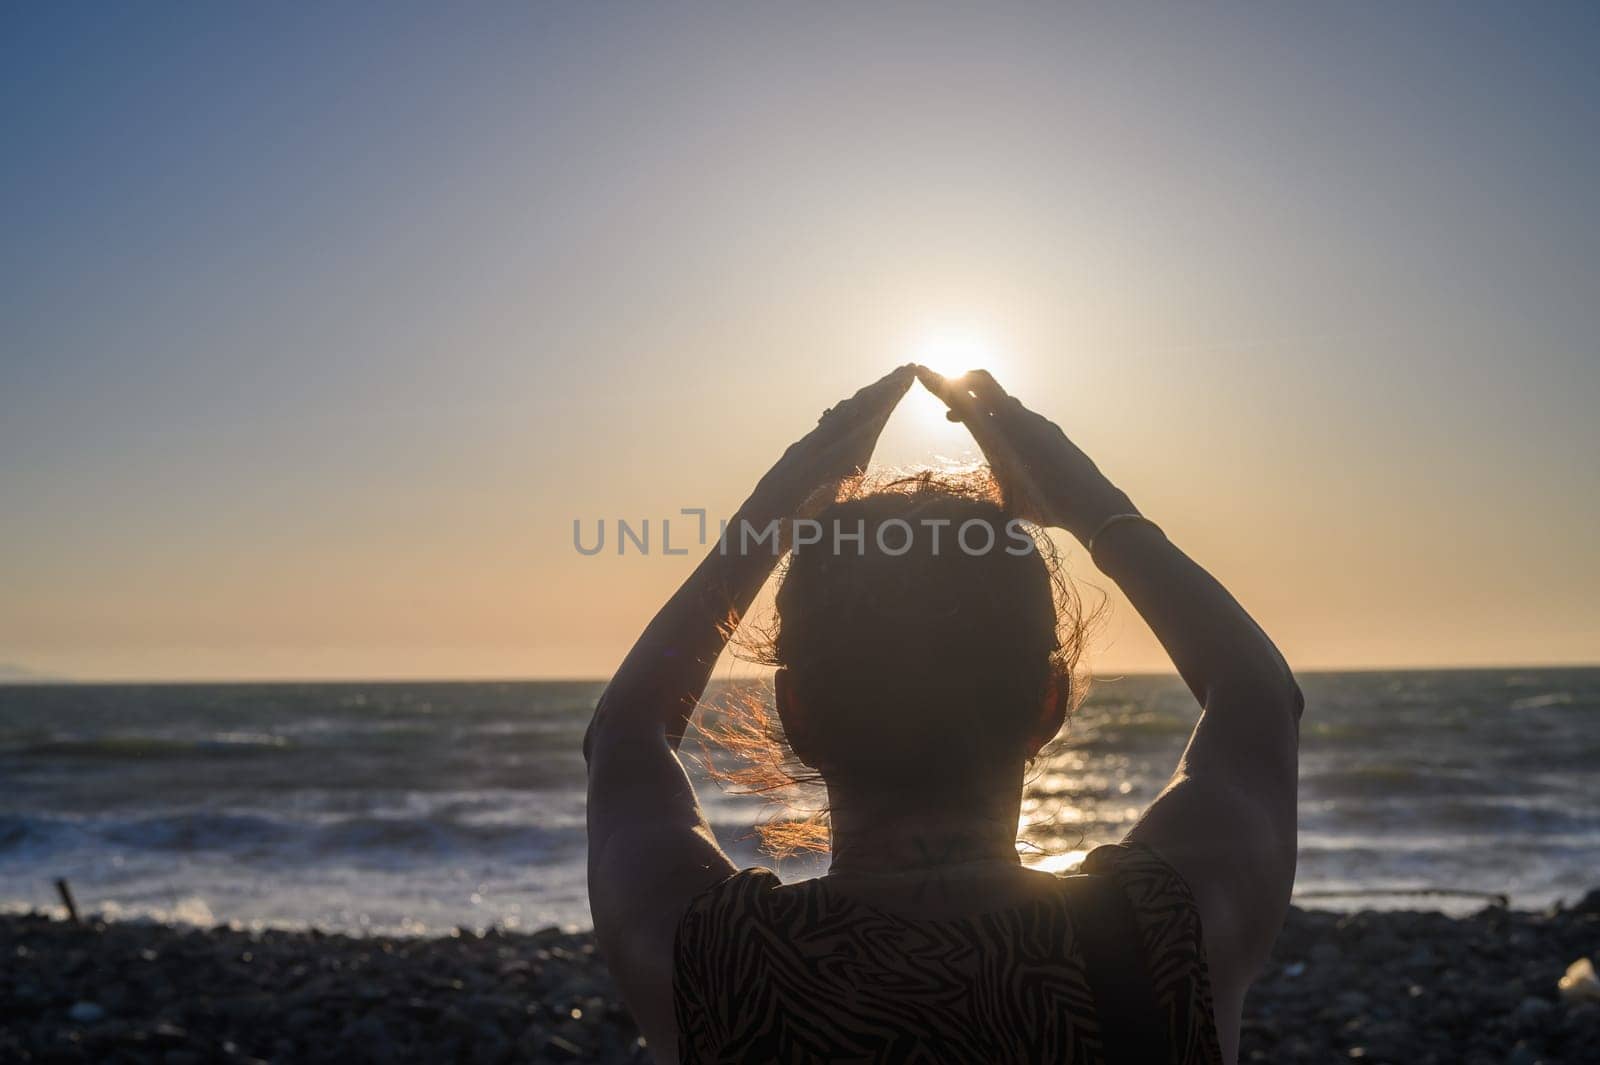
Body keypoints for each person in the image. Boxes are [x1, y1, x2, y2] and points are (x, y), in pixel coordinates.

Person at [585, 364, 1302, 1064]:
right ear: (1049, 705)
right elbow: (1259, 700)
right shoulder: (1164, 935)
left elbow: (624, 734)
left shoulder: (712, 963)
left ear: (793, 713)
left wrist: (765, 521)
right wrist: (1094, 508)